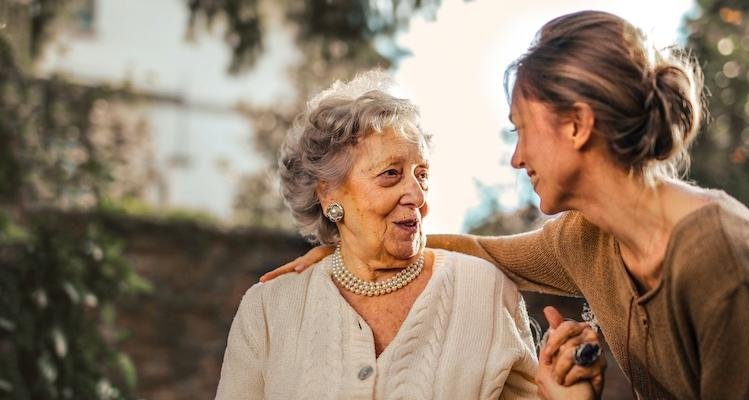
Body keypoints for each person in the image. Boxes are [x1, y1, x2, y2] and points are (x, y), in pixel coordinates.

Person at [261, 11, 749, 399]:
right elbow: (483, 252)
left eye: (521, 130)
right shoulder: (586, 238)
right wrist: (354, 249)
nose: (517, 158)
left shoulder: (722, 263)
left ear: (577, 125)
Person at [216, 71, 603, 399]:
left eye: (422, 175)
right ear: (328, 193)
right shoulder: (268, 310)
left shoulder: (484, 290)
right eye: (391, 174)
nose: (417, 197)